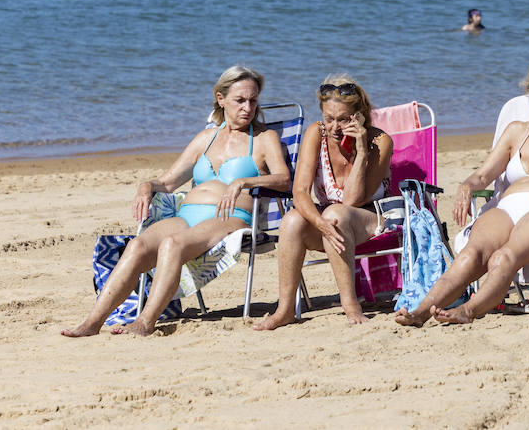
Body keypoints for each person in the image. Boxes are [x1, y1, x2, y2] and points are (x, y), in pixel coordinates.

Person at [62, 65, 291, 337]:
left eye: (253, 100)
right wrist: (146, 186)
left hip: (228, 219)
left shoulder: (265, 139)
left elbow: (283, 180)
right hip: (187, 215)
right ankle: (93, 322)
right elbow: (168, 182)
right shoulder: (205, 138)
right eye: (240, 100)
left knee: (172, 244)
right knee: (137, 246)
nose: (248, 107)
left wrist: (244, 181)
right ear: (221, 99)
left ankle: (145, 322)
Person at [394, 57, 529, 326]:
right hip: (508, 205)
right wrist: (467, 185)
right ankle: (421, 312)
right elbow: (483, 174)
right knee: (470, 254)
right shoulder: (516, 131)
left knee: (504, 257)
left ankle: (469, 311)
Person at [254, 76, 394, 328]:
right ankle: (285, 309)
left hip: (371, 219)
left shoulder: (379, 142)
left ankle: (350, 304)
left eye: (344, 119)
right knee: (292, 220)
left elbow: (352, 200)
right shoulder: (316, 133)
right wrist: (318, 222)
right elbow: (300, 192)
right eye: (329, 118)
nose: (335, 127)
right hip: (332, 223)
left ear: (359, 116)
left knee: (336, 214)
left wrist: (361, 152)